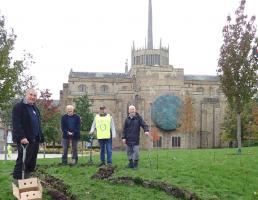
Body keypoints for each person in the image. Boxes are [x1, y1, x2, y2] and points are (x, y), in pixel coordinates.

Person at [12, 88, 44, 181]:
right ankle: (17, 183)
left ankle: (26, 181)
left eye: (35, 95)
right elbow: (16, 123)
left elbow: (38, 125)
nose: (33, 97)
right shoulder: (19, 107)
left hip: (35, 140)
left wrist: (41, 139)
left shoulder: (35, 108)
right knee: (22, 161)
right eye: (31, 95)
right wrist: (22, 137)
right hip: (25, 140)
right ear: (26, 95)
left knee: (31, 162)